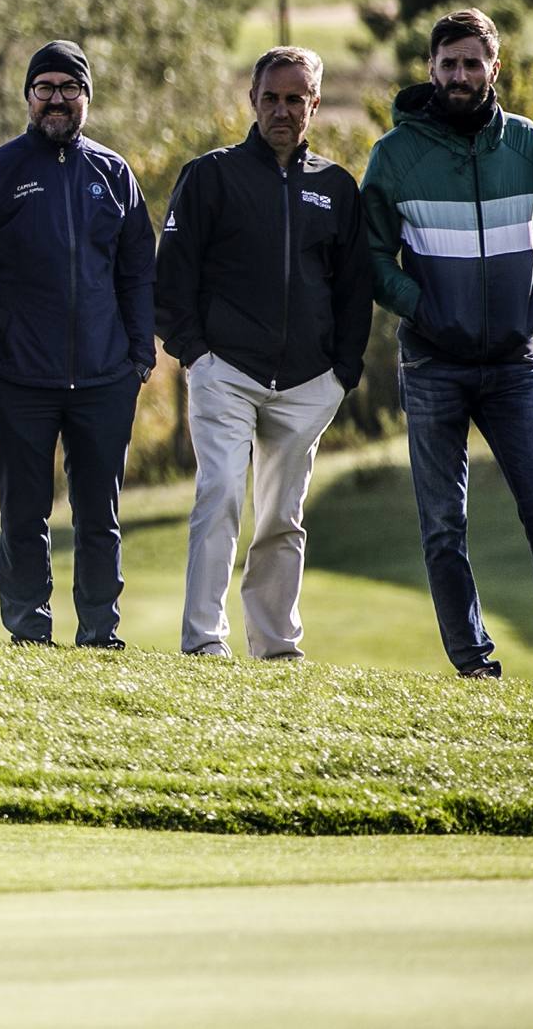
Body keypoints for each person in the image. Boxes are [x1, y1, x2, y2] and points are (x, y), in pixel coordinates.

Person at [360, 8, 533, 685]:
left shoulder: (528, 144)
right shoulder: (394, 157)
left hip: (514, 364)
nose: (460, 75)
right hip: (434, 362)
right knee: (442, 524)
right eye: (448, 63)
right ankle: (473, 665)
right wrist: (423, 310)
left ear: (495, 68)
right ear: (429, 68)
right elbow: (372, 258)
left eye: (472, 62)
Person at [156, 46, 370, 661]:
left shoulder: (336, 187)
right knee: (219, 492)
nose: (282, 110)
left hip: (309, 383)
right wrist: (195, 355)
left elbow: (356, 288)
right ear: (251, 101)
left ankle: (276, 646)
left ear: (314, 105)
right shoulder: (211, 175)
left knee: (282, 514)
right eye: (271, 98)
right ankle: (204, 640)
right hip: (226, 371)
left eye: (294, 99)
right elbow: (171, 279)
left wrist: (342, 373)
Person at [0, 41, 154, 649]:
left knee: (99, 517)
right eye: (45, 87)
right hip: (18, 380)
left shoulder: (114, 173)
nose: (57, 98)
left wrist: (139, 356)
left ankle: (100, 634)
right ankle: (29, 632)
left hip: (105, 378)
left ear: (87, 97)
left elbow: (137, 271)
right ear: (28, 97)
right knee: (23, 515)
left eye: (69, 87)